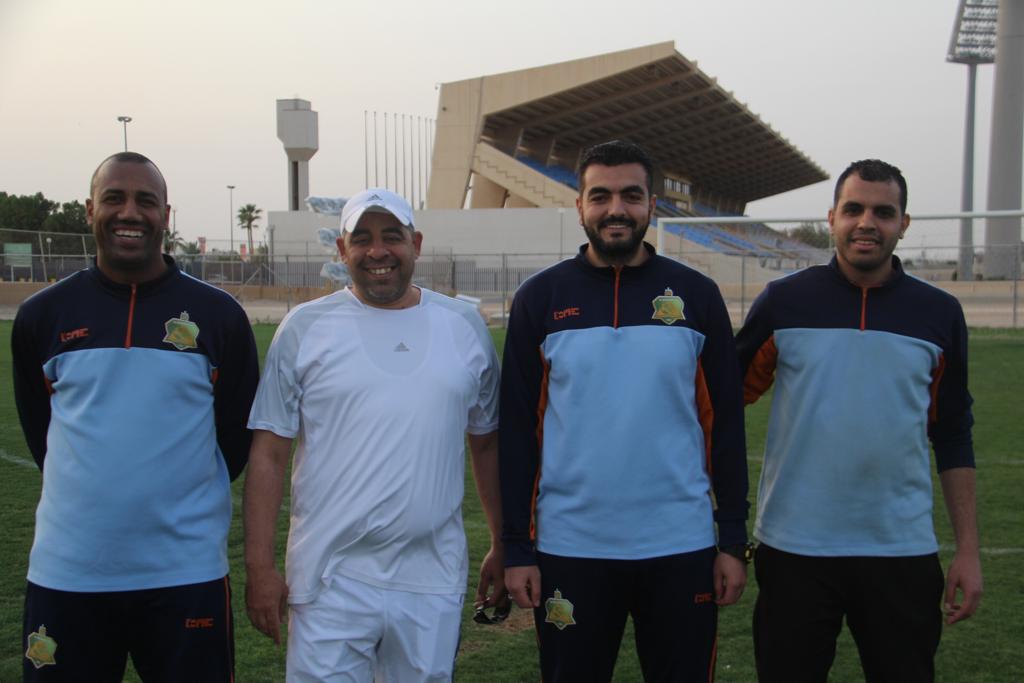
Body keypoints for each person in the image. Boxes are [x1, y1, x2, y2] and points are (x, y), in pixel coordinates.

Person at [499, 140, 750, 682]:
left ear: (652, 205)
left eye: (631, 195)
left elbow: (725, 428)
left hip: (681, 547)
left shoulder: (698, 296)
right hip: (570, 548)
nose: (616, 209)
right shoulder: (540, 300)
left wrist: (732, 540)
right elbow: (518, 433)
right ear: (580, 207)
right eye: (602, 196)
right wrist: (517, 546)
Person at [12, 152, 259, 682]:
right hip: (67, 576)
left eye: (145, 201)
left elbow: (234, 442)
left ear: (165, 214)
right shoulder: (43, 315)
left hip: (185, 576)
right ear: (89, 210)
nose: (130, 212)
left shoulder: (219, 318)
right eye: (114, 198)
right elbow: (42, 434)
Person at [736, 159, 983, 682]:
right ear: (832, 218)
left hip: (901, 550)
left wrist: (968, 550)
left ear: (904, 223)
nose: (867, 222)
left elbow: (953, 432)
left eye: (883, 212)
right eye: (854, 209)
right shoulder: (784, 302)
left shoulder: (938, 313)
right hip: (794, 549)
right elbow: (721, 402)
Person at [243, 188, 504, 682]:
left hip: (431, 576)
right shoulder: (304, 328)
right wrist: (260, 568)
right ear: (342, 250)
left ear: (416, 243)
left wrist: (502, 540)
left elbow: (486, 441)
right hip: (328, 577)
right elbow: (269, 455)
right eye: (361, 239)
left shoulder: (463, 327)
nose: (378, 251)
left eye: (392, 236)